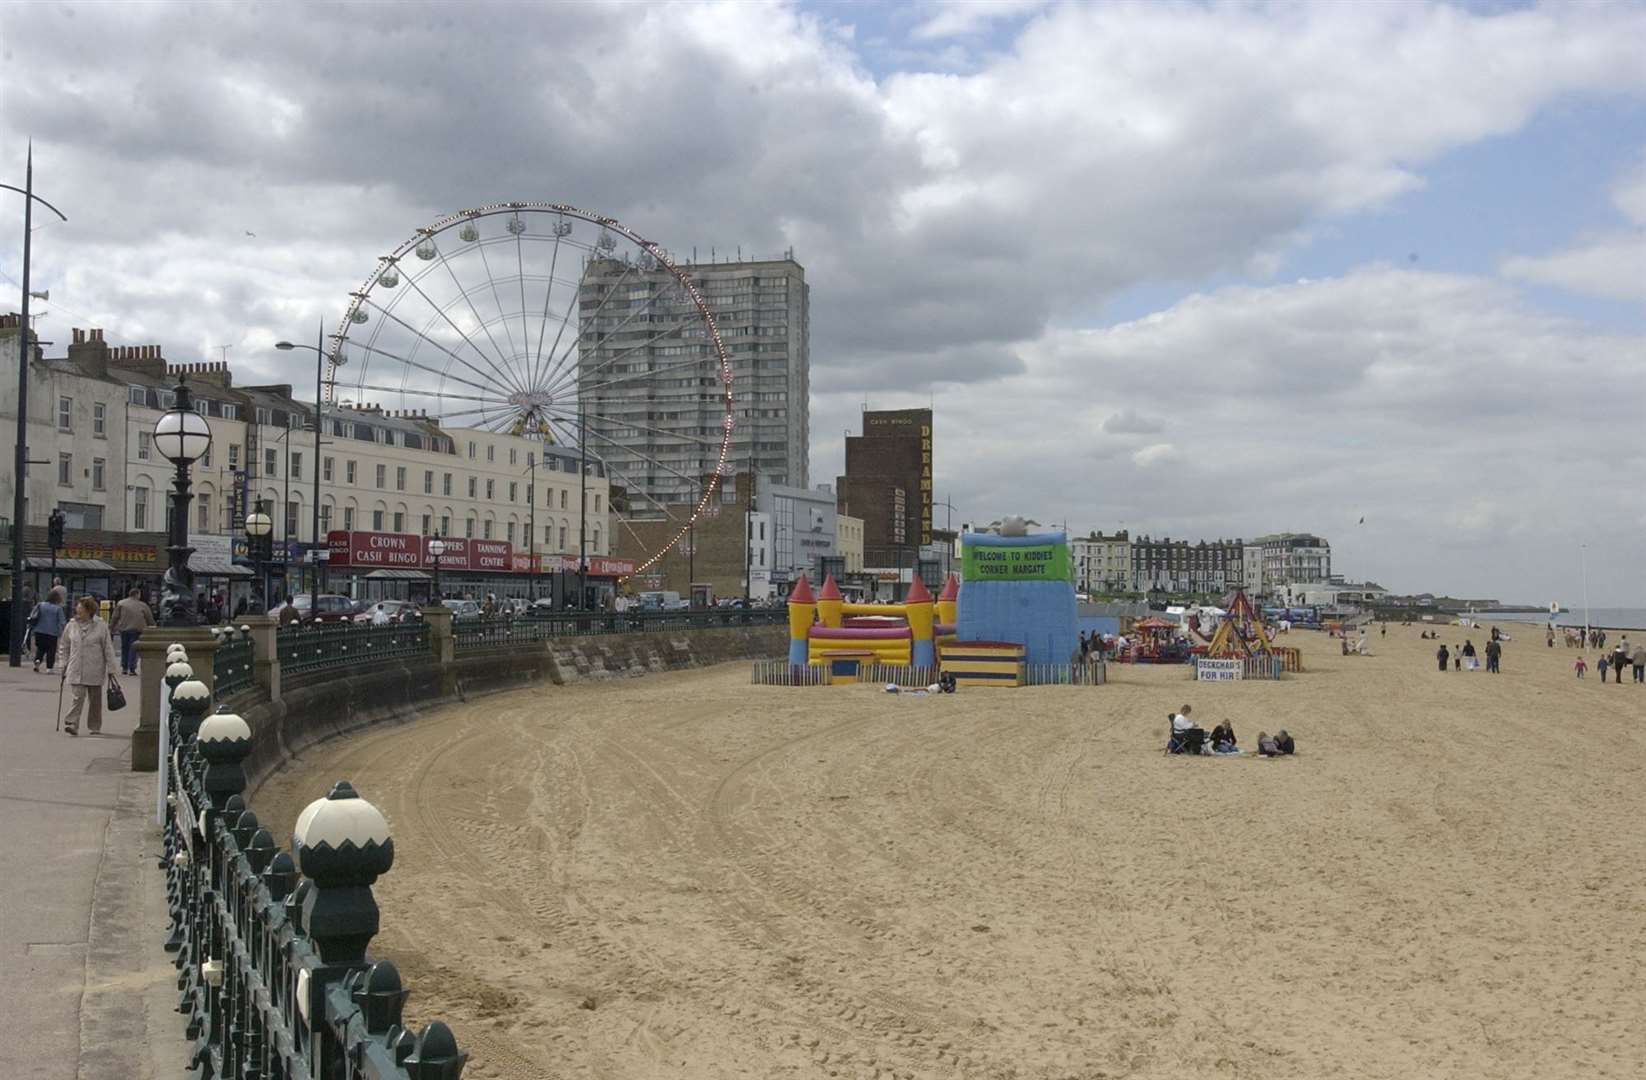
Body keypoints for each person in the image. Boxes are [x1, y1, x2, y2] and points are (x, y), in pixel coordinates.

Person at [59, 596, 120, 736]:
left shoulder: (101, 625)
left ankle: (94, 726)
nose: (77, 610)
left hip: (95, 667)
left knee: (95, 701)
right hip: (76, 667)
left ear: (89, 610)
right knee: (77, 697)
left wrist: (111, 668)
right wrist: (63, 663)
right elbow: (64, 645)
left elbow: (108, 648)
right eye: (77, 607)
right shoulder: (71, 625)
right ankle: (73, 724)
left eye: (80, 607)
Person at [110, 585, 155, 677]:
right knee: (133, 649)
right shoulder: (143, 605)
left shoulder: (121, 603)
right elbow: (149, 618)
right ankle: (132, 668)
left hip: (124, 629)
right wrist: (153, 626)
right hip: (137, 629)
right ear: (137, 594)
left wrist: (111, 626)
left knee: (124, 647)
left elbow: (115, 617)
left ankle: (124, 667)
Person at [31, 587, 68, 673]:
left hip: (39, 630)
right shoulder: (58, 608)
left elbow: (33, 615)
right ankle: (49, 668)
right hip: (52, 632)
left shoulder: (40, 605)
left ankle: (38, 661)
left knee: (40, 648)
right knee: (51, 650)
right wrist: (64, 631)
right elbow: (62, 621)